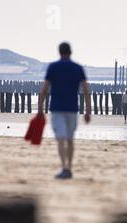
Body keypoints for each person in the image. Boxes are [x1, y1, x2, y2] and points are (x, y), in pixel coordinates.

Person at [38, 42, 91, 180]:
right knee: (70, 138)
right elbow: (86, 90)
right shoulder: (78, 68)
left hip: (57, 108)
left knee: (61, 139)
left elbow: (44, 90)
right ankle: (69, 167)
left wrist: (40, 109)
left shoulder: (53, 67)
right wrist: (88, 110)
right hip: (72, 108)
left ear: (59, 52)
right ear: (70, 52)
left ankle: (64, 167)